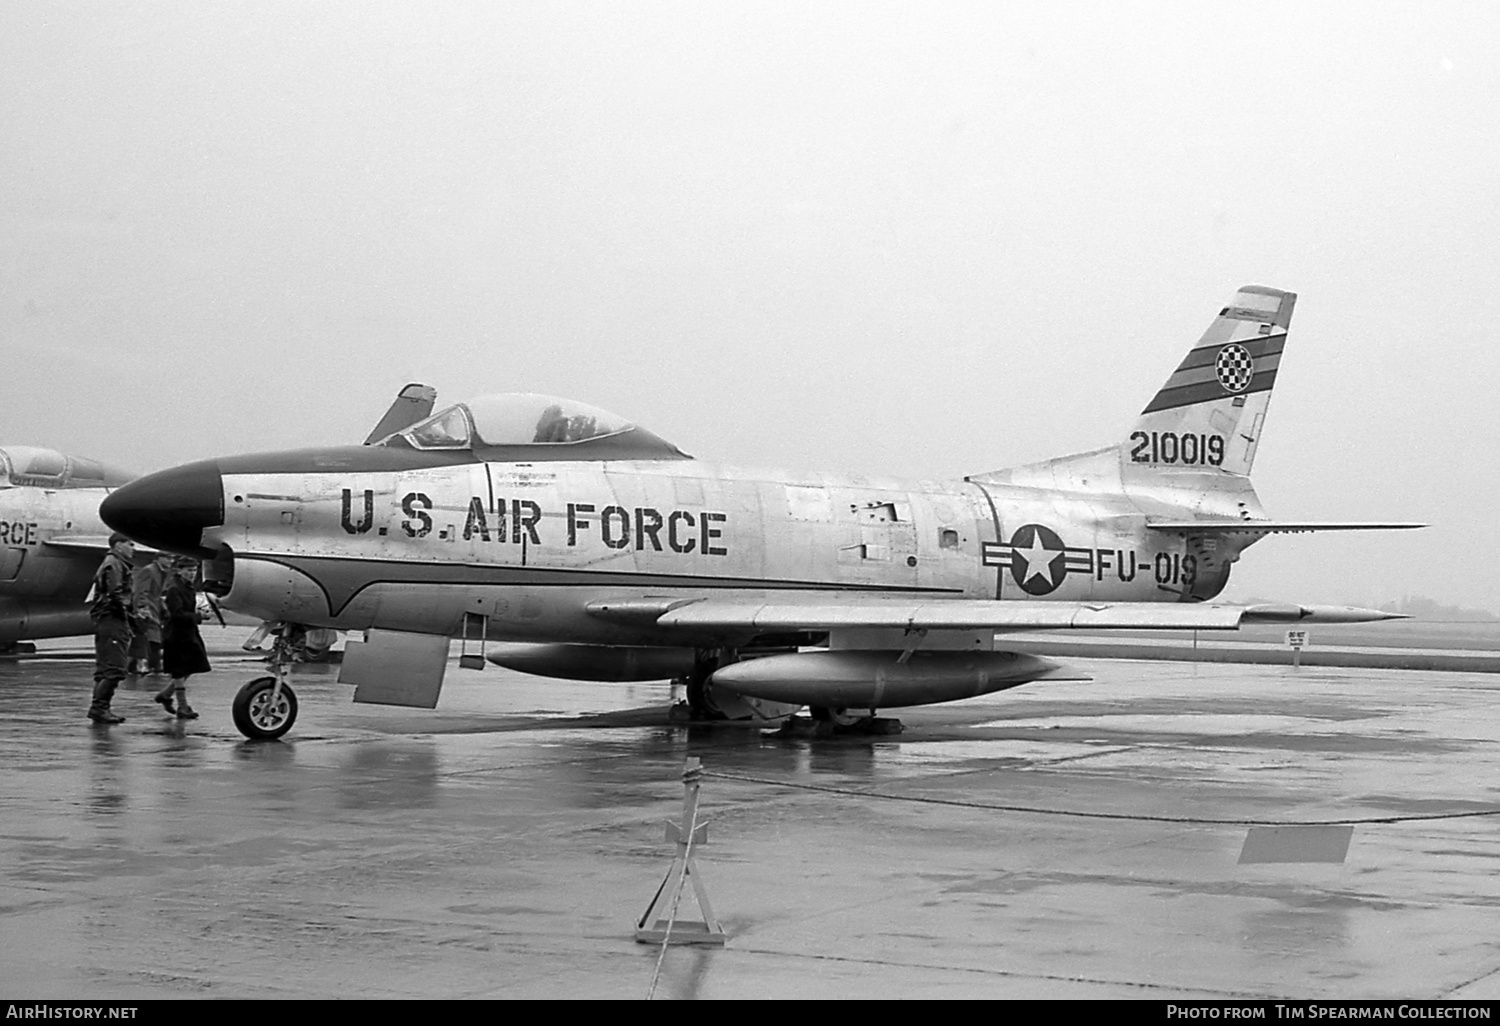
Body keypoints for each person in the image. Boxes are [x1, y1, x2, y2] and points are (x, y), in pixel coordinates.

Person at [154, 556, 211, 718]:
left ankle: (165, 695)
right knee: (179, 670)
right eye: (188, 570)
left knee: (194, 665)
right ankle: (182, 706)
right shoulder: (174, 589)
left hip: (189, 632)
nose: (192, 574)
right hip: (177, 634)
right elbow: (177, 614)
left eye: (194, 570)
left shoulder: (188, 588)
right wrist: (198, 616)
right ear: (179, 571)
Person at [87, 533, 135, 724]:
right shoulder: (113, 564)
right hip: (112, 619)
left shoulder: (113, 563)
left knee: (106, 667)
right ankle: (99, 708)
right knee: (115, 667)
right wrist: (127, 616)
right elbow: (114, 593)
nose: (133, 548)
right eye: (129, 544)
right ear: (118, 545)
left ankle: (100, 708)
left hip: (107, 619)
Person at [129, 553, 171, 675]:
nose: (171, 561)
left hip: (154, 607)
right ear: (159, 558)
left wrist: (163, 608)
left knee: (152, 638)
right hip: (149, 608)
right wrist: (142, 608)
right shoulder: (149, 571)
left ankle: (151, 664)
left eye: (172, 558)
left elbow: (156, 594)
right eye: (168, 558)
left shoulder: (160, 572)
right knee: (151, 637)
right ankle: (152, 664)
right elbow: (141, 591)